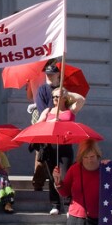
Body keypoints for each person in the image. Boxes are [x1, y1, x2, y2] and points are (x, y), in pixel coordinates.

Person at [36, 86, 86, 215]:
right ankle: (55, 204)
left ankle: (68, 203)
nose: (55, 99)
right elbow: (37, 125)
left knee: (65, 176)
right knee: (53, 177)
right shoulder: (47, 111)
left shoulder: (70, 111)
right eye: (53, 97)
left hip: (65, 146)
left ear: (64, 98)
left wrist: (68, 92)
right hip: (50, 147)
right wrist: (51, 121)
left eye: (57, 96)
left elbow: (81, 100)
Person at [30, 63, 62, 190]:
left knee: (56, 154)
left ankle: (56, 182)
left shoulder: (61, 90)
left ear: (58, 75)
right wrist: (51, 115)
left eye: (51, 74)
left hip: (59, 126)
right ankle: (38, 183)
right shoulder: (42, 89)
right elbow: (41, 108)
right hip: (45, 124)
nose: (49, 76)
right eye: (47, 74)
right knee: (42, 154)